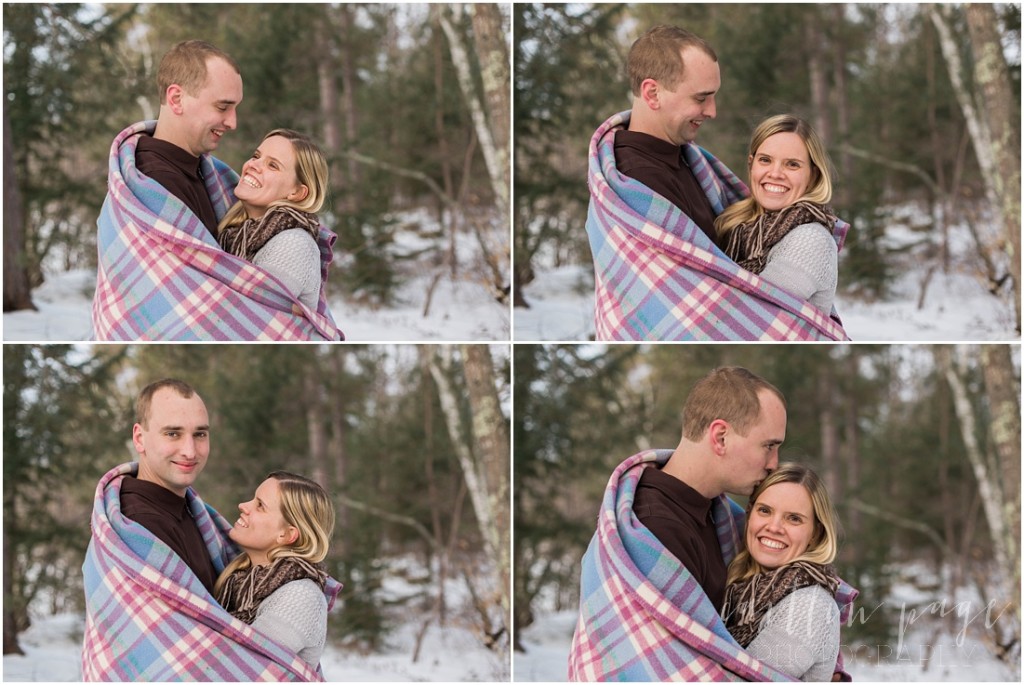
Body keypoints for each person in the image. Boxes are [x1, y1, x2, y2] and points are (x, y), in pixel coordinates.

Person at [631, 366, 786, 612]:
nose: (774, 464)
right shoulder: (655, 527)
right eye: (768, 446)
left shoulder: (712, 513)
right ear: (721, 437)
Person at [721, 463, 842, 682]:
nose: (774, 527)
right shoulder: (738, 584)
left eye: (794, 518)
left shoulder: (810, 605)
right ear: (750, 514)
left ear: (816, 533)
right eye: (765, 511)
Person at [718, 115, 840, 313]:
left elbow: (751, 315)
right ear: (751, 164)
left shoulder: (810, 239)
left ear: (813, 174)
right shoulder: (735, 223)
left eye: (792, 164)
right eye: (765, 160)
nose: (775, 173)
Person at [215, 472, 336, 667]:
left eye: (260, 505)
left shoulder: (301, 596)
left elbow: (241, 669)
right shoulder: (238, 580)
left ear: (286, 535)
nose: (243, 506)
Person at [614, 25, 722, 243]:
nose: (712, 111)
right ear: (653, 94)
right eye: (701, 98)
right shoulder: (638, 178)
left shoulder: (682, 156)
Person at [136, 40, 243, 235]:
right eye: (222, 107)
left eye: (236, 108)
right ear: (177, 99)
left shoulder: (201, 170)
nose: (232, 123)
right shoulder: (154, 181)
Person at [121, 378, 217, 594]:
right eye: (173, 434)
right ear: (139, 438)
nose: (190, 451)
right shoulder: (140, 523)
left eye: (200, 434)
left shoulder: (188, 510)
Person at [215, 129, 329, 310]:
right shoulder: (234, 232)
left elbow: (245, 317)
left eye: (272, 165)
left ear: (297, 192)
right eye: (256, 156)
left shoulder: (293, 244)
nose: (254, 165)